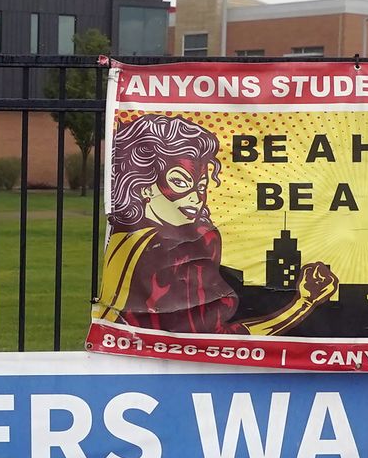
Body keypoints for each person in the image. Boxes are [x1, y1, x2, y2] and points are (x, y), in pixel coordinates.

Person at [96, 113, 336, 335]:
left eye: (201, 187)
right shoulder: (170, 252)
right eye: (180, 182)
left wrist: (302, 304)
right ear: (142, 184)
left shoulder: (147, 240)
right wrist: (302, 305)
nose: (196, 198)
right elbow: (214, 340)